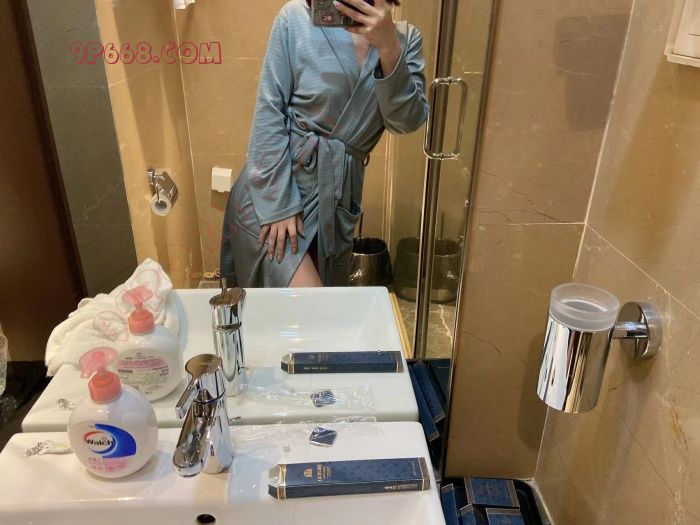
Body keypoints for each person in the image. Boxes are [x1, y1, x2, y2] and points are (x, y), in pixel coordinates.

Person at [221, 0, 429, 288]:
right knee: (309, 307)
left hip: (335, 203)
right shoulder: (296, 18)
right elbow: (269, 111)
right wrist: (278, 206)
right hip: (277, 190)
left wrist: (388, 46)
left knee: (316, 308)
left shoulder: (405, 39)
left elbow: (406, 121)